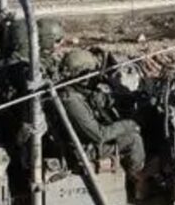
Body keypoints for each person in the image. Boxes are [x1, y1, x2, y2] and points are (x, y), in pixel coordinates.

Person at [53, 46, 148, 190]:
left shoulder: (74, 89)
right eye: (90, 74)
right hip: (82, 151)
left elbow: (98, 99)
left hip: (85, 141)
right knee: (134, 139)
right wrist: (129, 124)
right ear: (82, 75)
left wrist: (126, 97)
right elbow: (99, 135)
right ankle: (135, 182)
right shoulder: (71, 101)